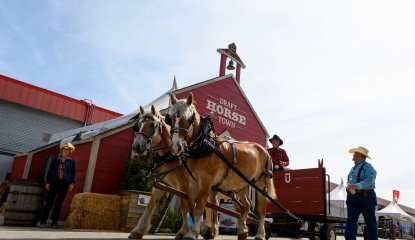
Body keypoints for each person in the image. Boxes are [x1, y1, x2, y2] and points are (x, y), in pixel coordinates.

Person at [38, 142, 76, 228]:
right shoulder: (55, 160)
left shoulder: (72, 161)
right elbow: (50, 171)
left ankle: (54, 223)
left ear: (69, 152)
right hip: (54, 182)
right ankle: (43, 222)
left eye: (67, 151)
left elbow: (73, 173)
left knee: (59, 203)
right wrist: (48, 182)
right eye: (64, 150)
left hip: (65, 183)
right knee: (49, 202)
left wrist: (72, 183)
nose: (65, 152)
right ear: (62, 151)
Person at [345, 146, 377, 240]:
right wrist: (349, 187)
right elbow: (351, 181)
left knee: (370, 221)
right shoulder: (353, 168)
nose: (353, 154)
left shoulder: (368, 166)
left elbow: (370, 180)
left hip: (366, 196)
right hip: (352, 197)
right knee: (351, 220)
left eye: (355, 153)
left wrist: (357, 186)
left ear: (360, 155)